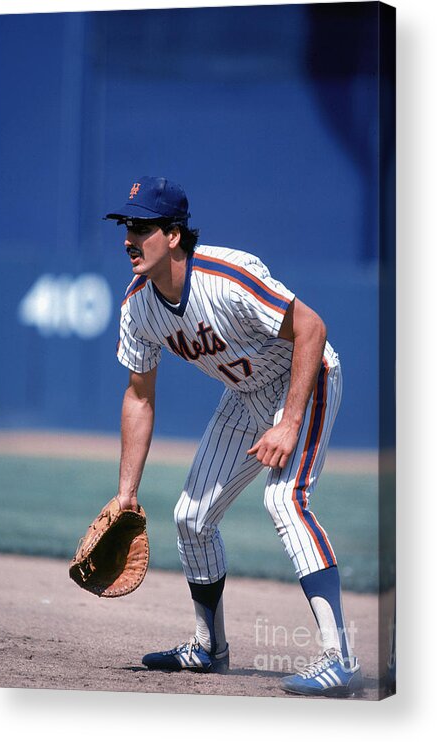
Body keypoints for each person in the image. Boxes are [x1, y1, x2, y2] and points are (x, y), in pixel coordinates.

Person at [104, 175, 362, 697]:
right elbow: (139, 396)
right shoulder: (139, 307)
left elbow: (312, 327)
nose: (129, 237)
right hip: (246, 396)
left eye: (141, 226)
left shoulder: (227, 276)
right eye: (125, 225)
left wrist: (289, 423)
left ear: (173, 234)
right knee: (191, 518)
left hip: (303, 379)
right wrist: (126, 491)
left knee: (285, 500)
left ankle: (340, 657)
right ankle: (208, 648)